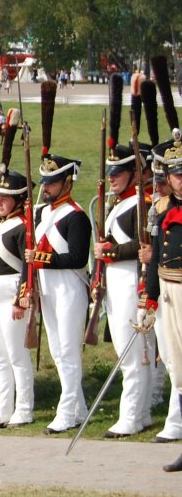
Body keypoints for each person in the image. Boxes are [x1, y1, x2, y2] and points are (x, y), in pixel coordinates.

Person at [25, 141, 91, 435]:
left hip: (70, 288)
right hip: (50, 289)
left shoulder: (76, 216)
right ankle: (78, 408)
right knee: (57, 350)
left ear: (67, 182)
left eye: (52, 183)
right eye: (45, 182)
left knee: (67, 350)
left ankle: (66, 411)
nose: (46, 188)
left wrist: (39, 258)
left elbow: (77, 257)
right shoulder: (43, 213)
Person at [96, 139, 154, 437]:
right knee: (129, 350)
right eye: (111, 172)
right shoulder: (119, 203)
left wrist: (109, 251)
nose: (112, 178)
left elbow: (143, 243)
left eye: (119, 172)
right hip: (117, 283)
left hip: (132, 281)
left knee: (132, 353)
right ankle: (142, 413)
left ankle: (131, 415)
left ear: (134, 172)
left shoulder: (141, 204)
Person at [0, 166, 35, 429]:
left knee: (17, 356)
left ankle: (24, 408)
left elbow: (27, 266)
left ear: (18, 200)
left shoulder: (22, 227)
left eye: (5, 197)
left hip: (12, 297)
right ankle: (3, 409)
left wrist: (21, 297)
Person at [145, 135, 182, 472]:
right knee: (176, 366)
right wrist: (150, 297)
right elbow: (155, 258)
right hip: (169, 292)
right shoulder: (160, 209)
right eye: (175, 174)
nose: (179, 179)